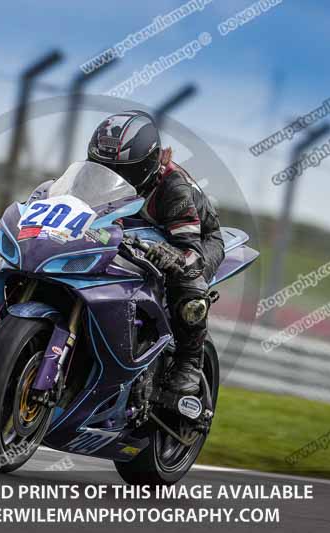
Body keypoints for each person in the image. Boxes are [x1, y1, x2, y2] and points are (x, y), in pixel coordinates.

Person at [86, 110, 225, 396]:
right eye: (104, 168)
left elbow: (192, 252)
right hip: (135, 231)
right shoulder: (92, 179)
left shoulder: (173, 187)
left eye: (123, 171)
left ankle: (189, 363)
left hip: (195, 238)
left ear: (147, 165)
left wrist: (174, 257)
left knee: (186, 279)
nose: (113, 177)